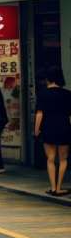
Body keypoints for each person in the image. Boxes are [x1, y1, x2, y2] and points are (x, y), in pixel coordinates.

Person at [34, 66, 71, 196]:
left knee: (50, 159)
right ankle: (60, 188)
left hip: (48, 127)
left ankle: (53, 187)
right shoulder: (67, 94)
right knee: (63, 159)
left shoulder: (42, 94)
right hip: (64, 127)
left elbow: (40, 113)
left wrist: (36, 130)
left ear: (47, 78)